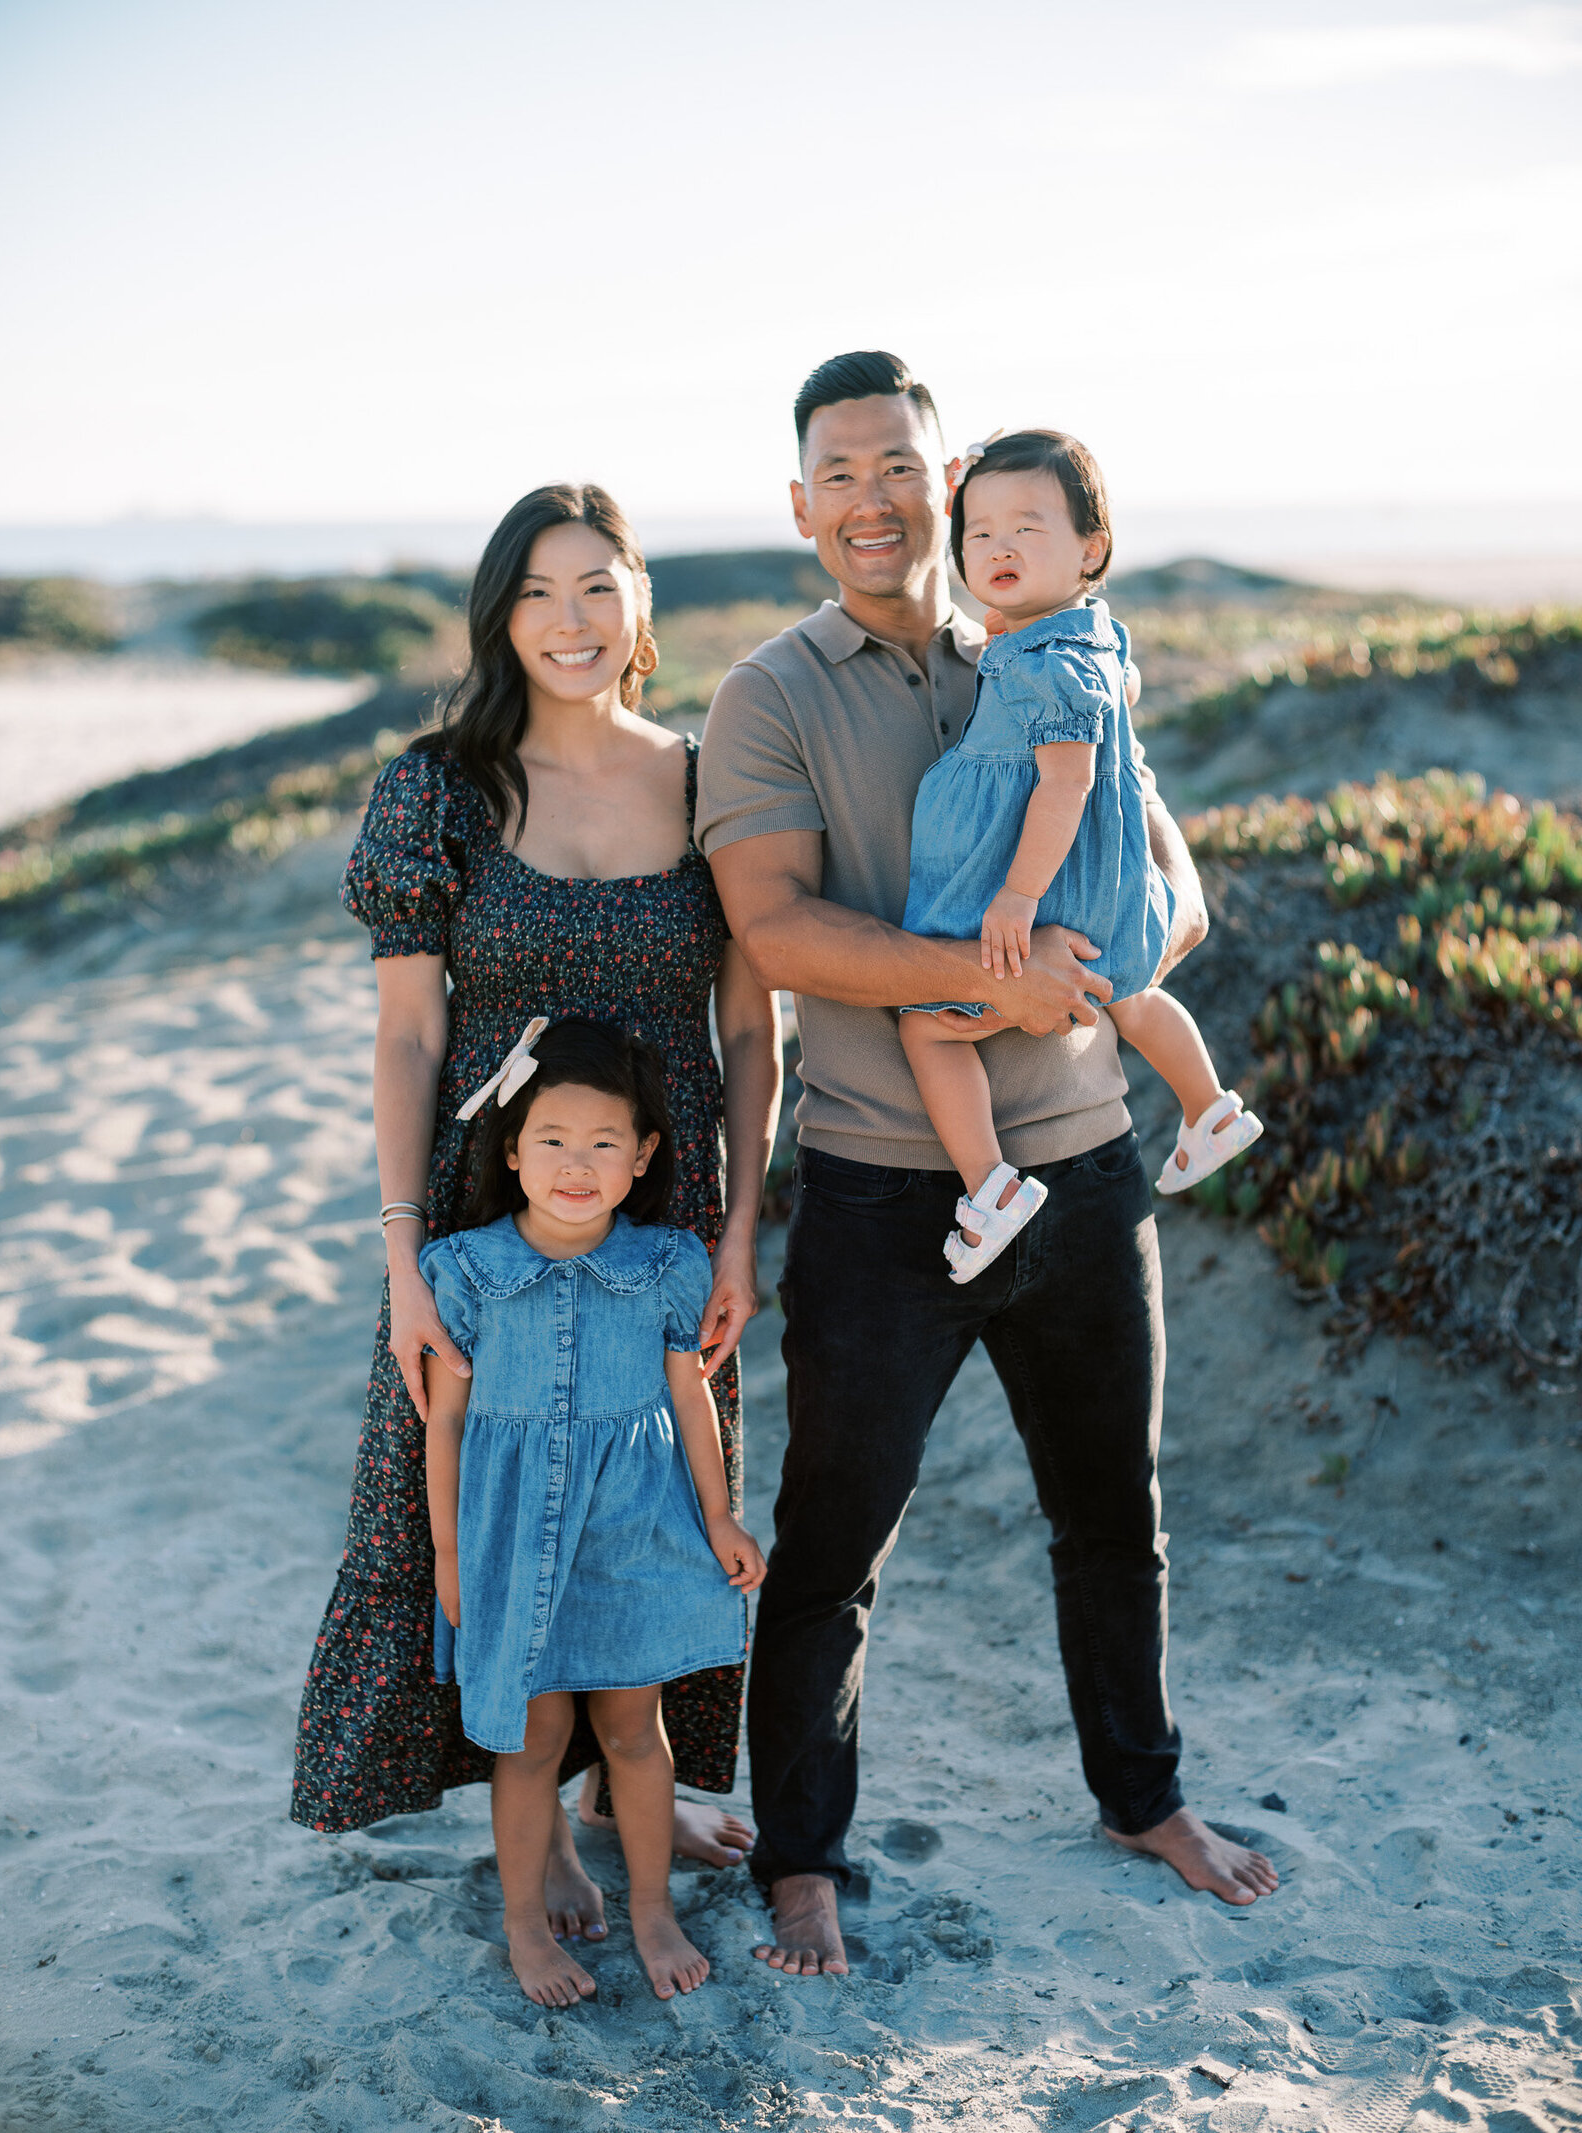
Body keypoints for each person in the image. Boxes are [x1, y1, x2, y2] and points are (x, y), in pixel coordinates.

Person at [696, 350, 1279, 1980]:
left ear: (945, 488)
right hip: (885, 1186)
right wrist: (987, 983)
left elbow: (1170, 873)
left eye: (905, 469)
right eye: (843, 472)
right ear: (802, 501)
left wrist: (1107, 958)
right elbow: (778, 926)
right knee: (834, 1547)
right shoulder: (769, 695)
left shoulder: (1045, 643)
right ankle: (803, 1851)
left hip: (1086, 1162)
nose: (878, 500)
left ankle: (1144, 1797)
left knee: (1114, 1517)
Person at [291, 483, 781, 1946]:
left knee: (640, 1489)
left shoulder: (712, 780)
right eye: (536, 594)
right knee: (492, 1491)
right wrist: (401, 1258)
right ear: (499, 618)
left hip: (667, 1194)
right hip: (482, 1212)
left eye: (596, 588)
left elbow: (755, 1030)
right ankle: (533, 1791)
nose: (568, 623)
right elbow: (405, 1037)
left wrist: (744, 1225)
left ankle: (611, 1791)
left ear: (639, 603)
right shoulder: (438, 789)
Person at [421, 1017, 766, 2004]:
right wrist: (450, 1557)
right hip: (508, 1542)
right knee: (527, 1747)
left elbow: (693, 1395)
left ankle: (652, 1908)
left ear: (644, 1153)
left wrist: (720, 1518)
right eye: (554, 1142)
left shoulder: (664, 1265)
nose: (578, 1166)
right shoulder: (468, 1271)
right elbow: (444, 1426)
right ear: (512, 1150)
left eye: (605, 1144)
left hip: (634, 1537)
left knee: (632, 1734)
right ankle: (526, 1927)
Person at [899, 427, 1262, 1281]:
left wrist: (1018, 897)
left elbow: (1065, 784)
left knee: (929, 1029)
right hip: (1103, 892)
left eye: (1029, 527)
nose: (999, 546)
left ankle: (990, 1185)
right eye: (978, 533)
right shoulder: (1088, 636)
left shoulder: (1043, 663)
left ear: (1092, 547)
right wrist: (983, 495)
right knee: (1132, 993)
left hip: (1049, 894)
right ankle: (1210, 1107)